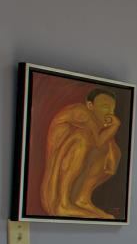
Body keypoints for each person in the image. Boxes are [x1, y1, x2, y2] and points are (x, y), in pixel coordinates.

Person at [40, 88, 122, 218]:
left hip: (75, 158)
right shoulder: (81, 113)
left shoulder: (96, 121)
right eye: (105, 107)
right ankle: (63, 203)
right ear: (90, 105)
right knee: (82, 139)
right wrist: (115, 126)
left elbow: (106, 151)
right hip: (59, 169)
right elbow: (97, 141)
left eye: (113, 108)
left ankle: (82, 199)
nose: (110, 113)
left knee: (113, 150)